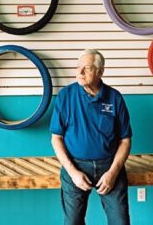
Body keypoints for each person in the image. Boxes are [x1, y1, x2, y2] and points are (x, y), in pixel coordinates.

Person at [50, 49, 132, 225]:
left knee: (120, 221)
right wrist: (73, 173)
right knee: (73, 221)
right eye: (78, 67)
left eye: (86, 68)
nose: (79, 72)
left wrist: (112, 173)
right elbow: (56, 138)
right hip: (76, 165)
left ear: (100, 71)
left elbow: (125, 140)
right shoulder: (65, 96)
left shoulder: (114, 98)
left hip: (109, 166)